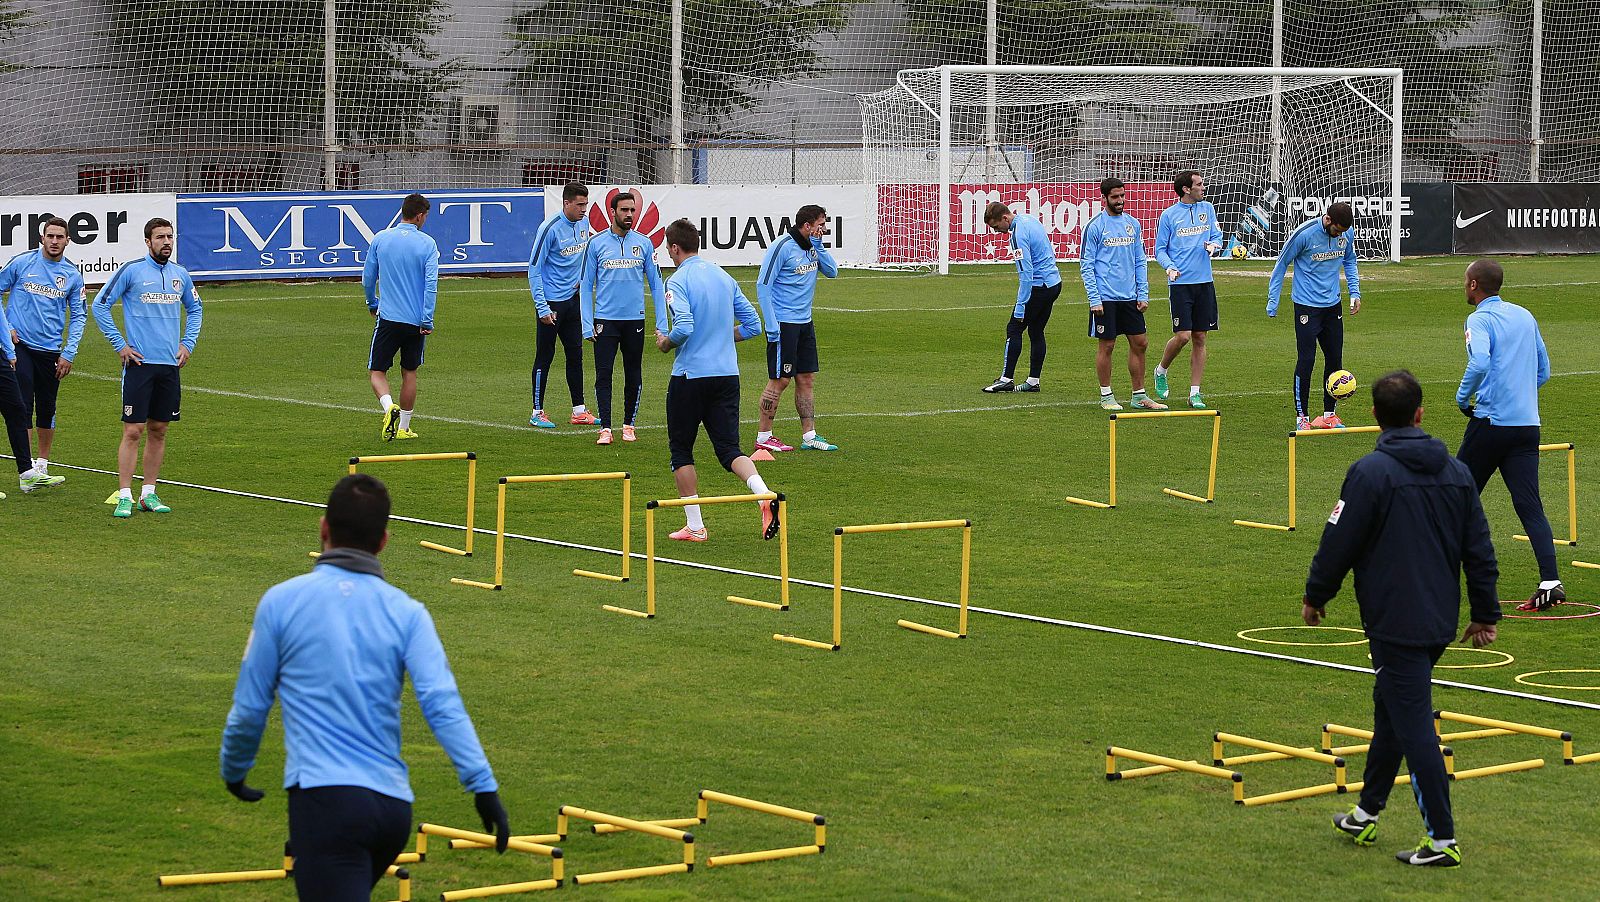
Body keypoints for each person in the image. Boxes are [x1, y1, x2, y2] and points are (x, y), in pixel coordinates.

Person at [220, 474, 511, 901]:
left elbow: (250, 707)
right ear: (384, 541)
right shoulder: (408, 612)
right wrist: (482, 785)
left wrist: (234, 770)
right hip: (392, 810)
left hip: (327, 803)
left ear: (323, 529)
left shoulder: (281, 601)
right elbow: (441, 703)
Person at [1301, 370, 1498, 869]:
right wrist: (1483, 613)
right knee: (1390, 709)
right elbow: (1480, 549)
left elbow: (1338, 540)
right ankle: (1366, 812)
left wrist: (1316, 595)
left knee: (1414, 727)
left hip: (1395, 619)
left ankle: (1442, 840)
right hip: (1437, 619)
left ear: (1373, 417)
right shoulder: (1456, 472)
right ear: (1420, 414)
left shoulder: (1369, 473)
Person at [655, 219, 778, 543]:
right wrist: (724, 337)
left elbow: (683, 326)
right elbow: (753, 326)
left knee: (681, 450)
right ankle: (763, 494)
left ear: (674, 248)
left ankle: (695, 526)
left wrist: (667, 342)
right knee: (728, 450)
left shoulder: (677, 280)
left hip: (690, 376)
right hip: (726, 375)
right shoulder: (723, 276)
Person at [1454, 258, 1565, 611]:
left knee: (1454, 497)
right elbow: (1544, 371)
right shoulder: (1524, 315)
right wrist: (1519, 394)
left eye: (1464, 279)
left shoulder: (1479, 319)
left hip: (1490, 424)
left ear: (1474, 285)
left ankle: (1425, 575)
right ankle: (1551, 581)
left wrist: (1462, 396)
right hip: (1526, 426)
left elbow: (1481, 362)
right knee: (1529, 505)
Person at [93, 217, 202, 518]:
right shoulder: (131, 271)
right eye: (160, 237)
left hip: (169, 366)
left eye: (169, 237)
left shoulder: (181, 275)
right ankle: (125, 494)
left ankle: (149, 494)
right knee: (133, 431)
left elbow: (195, 309)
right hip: (139, 364)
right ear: (147, 241)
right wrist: (120, 344)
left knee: (159, 429)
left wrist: (187, 343)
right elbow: (100, 305)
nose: (166, 242)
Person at [579, 190, 668, 445]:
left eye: (632, 210)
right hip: (605, 320)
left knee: (633, 373)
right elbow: (585, 285)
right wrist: (587, 324)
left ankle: (629, 425)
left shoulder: (644, 243)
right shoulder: (595, 245)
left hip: (634, 321)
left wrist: (661, 325)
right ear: (613, 212)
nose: (629, 214)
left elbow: (657, 284)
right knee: (603, 374)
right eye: (624, 210)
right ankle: (605, 428)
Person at [0, 216, 87, 481]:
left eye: (60, 237)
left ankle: (42, 464)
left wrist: (69, 352)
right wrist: (7, 329)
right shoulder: (23, 262)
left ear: (68, 241)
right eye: (50, 236)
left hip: (51, 350)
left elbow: (79, 315)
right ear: (42, 238)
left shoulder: (72, 274)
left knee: (47, 407)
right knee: (23, 404)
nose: (54, 241)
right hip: (20, 345)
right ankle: (25, 470)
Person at [1267, 201, 1362, 431]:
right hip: (1306, 307)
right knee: (1307, 360)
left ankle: (1329, 415)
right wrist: (1273, 301)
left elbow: (1349, 260)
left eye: (1343, 232)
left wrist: (1355, 291)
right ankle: (1302, 417)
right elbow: (1282, 264)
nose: (1340, 235)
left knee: (1335, 360)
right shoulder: (1304, 234)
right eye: (1338, 230)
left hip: (1333, 306)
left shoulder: (1346, 234)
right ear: (1328, 219)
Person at [753, 204, 840, 452]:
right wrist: (771, 325)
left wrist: (819, 247)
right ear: (807, 226)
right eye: (820, 225)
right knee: (781, 379)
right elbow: (763, 285)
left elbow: (832, 272)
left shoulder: (814, 246)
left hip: (805, 323)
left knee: (806, 378)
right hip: (783, 324)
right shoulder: (781, 247)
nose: (823, 229)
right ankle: (764, 436)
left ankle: (810, 436)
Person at [1080, 178, 1164, 412]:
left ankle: (1139, 396)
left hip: (1130, 297)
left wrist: (1143, 293)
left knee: (1140, 342)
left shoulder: (1133, 224)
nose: (1120, 201)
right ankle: (1106, 395)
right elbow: (1086, 264)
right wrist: (1094, 299)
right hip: (1105, 297)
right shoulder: (1095, 226)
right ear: (1104, 198)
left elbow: (1140, 261)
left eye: (1122, 196)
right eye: (1115, 197)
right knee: (1107, 345)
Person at [364, 193, 438, 442]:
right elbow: (431, 285)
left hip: (388, 318)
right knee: (410, 372)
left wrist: (372, 303)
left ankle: (388, 407)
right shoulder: (427, 244)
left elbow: (367, 277)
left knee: (377, 371)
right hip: (415, 322)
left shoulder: (381, 238)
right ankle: (404, 428)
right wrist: (427, 319)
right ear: (419, 215)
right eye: (426, 216)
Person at [1153, 170, 1223, 409]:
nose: (1203, 188)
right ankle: (1161, 370)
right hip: (1180, 283)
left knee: (1200, 337)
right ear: (1186, 189)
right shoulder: (1169, 216)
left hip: (1204, 282)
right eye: (1199, 184)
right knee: (1183, 336)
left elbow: (1217, 236)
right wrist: (1170, 267)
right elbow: (1159, 250)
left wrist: (1214, 245)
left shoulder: (1208, 209)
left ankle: (1195, 393)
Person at [528, 182, 595, 429]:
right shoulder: (549, 229)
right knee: (545, 356)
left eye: (585, 204)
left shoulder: (584, 224)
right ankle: (537, 411)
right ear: (566, 203)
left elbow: (584, 257)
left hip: (572, 301)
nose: (583, 209)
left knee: (575, 355)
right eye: (579, 205)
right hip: (551, 303)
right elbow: (534, 268)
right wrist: (542, 306)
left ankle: (579, 410)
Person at [981, 201, 1062, 393]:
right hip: (1054, 283)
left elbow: (1027, 274)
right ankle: (1033, 381)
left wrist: (1021, 305)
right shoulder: (1029, 220)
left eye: (995, 226)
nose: (996, 231)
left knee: (1014, 328)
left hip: (1039, 287)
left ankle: (1006, 379)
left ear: (1005, 218)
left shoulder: (1017, 234)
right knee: (1035, 331)